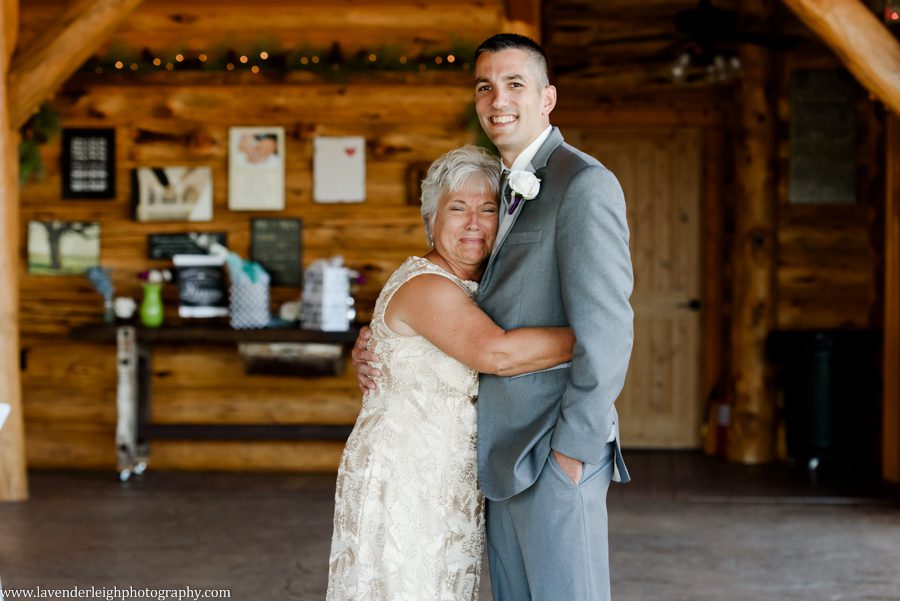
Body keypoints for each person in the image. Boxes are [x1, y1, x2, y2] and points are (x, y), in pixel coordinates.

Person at [353, 33, 634, 601]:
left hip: (554, 448)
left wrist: (573, 452)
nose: (497, 99)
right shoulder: (499, 186)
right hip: (497, 459)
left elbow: (608, 327)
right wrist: (383, 342)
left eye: (514, 84)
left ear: (547, 97)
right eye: (485, 87)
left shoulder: (582, 183)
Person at [326, 145, 577, 601]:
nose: (474, 223)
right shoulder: (427, 286)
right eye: (458, 208)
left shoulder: (476, 287)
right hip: (403, 479)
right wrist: (593, 337)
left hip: (446, 481)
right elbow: (496, 354)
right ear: (432, 218)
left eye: (488, 209)